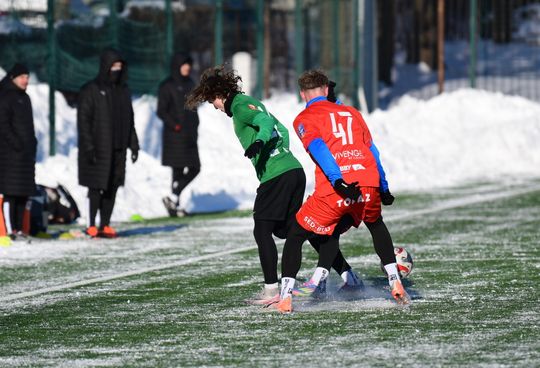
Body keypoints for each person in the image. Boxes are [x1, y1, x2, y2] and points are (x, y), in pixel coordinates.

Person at [186, 66, 359, 305]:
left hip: (278, 176)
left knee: (262, 230)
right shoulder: (250, 102)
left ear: (219, 94)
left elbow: (264, 122)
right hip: (292, 171)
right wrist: (280, 151)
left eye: (212, 101)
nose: (215, 107)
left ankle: (271, 291)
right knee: (299, 228)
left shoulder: (239, 106)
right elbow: (282, 130)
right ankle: (349, 276)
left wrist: (260, 143)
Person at [272, 69, 410, 313]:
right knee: (374, 223)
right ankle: (394, 280)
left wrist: (338, 180)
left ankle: (286, 297)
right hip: (368, 181)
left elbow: (318, 148)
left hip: (337, 188)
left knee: (296, 234)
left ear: (302, 94)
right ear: (326, 90)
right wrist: (383, 185)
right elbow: (372, 150)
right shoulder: (352, 112)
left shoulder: (304, 118)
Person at [77, 48, 140, 238]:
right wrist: (88, 146)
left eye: (120, 66)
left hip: (119, 149)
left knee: (112, 186)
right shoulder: (91, 90)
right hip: (98, 149)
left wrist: (133, 144)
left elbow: (130, 120)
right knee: (96, 186)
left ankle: (105, 224)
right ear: (106, 67)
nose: (117, 70)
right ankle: (91, 224)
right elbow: (83, 121)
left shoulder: (124, 90)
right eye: (114, 66)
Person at [158, 53, 200, 217]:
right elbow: (161, 111)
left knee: (195, 167)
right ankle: (175, 205)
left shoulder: (190, 83)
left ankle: (173, 198)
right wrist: (175, 125)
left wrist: (195, 125)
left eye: (189, 64)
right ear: (177, 65)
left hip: (190, 135)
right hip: (174, 136)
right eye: (184, 64)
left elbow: (194, 108)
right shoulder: (166, 86)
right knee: (178, 171)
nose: (187, 67)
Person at [0, 63, 37, 242]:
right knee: (11, 193)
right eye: (22, 77)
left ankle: (20, 229)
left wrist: (32, 143)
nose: (25, 80)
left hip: (25, 155)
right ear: (13, 78)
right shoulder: (5, 97)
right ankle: (9, 230)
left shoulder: (26, 98)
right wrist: (16, 143)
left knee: (23, 193)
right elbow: (3, 125)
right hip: (10, 155)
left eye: (27, 77)